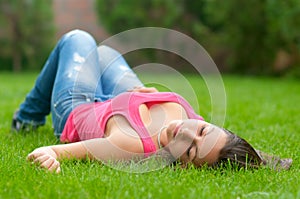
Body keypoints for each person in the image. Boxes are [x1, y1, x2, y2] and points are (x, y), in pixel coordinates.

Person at [12, 30, 292, 173]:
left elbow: (60, 152)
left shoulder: (131, 145)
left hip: (79, 107)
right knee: (105, 51)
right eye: (203, 130)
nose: (186, 132)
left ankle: (27, 118)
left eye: (190, 151)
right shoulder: (192, 119)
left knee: (79, 39)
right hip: (119, 99)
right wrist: (139, 93)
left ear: (183, 166)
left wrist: (49, 156)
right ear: (212, 125)